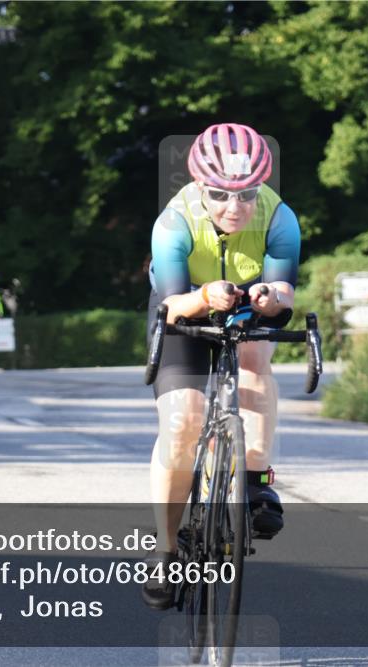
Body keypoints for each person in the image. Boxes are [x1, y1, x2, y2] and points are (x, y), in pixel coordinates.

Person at [142, 123, 301, 609]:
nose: (236, 207)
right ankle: (168, 551)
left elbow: (285, 291)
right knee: (183, 422)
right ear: (198, 187)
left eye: (248, 194)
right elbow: (171, 306)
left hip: (245, 306)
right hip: (184, 305)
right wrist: (205, 295)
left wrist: (269, 296)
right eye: (220, 195)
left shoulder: (279, 218)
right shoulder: (173, 222)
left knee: (254, 360)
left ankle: (254, 479)